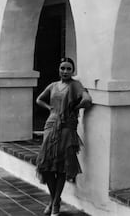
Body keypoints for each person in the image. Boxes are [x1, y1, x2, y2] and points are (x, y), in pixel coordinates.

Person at [35, 57, 92, 216]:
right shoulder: (53, 85)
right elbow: (39, 99)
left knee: (61, 166)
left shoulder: (75, 85)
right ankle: (55, 201)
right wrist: (50, 108)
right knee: (45, 165)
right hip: (51, 124)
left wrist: (76, 107)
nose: (65, 71)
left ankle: (54, 204)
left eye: (68, 69)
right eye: (62, 68)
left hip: (67, 127)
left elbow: (87, 100)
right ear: (59, 70)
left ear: (73, 71)